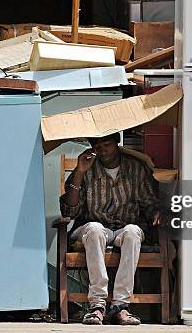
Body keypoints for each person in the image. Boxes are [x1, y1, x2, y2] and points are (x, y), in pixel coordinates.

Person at [60, 132, 162, 325]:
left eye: (107, 144)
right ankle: (97, 305)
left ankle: (120, 306)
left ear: (117, 143)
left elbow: (149, 202)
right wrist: (80, 172)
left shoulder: (135, 168)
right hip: (93, 226)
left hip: (125, 226)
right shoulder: (87, 169)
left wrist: (156, 213)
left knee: (132, 232)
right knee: (95, 229)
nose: (103, 149)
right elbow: (69, 210)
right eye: (97, 146)